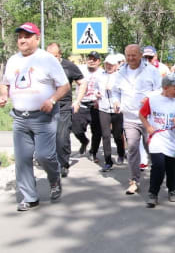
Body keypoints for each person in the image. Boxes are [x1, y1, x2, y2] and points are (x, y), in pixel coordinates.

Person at [0, 22, 70, 211]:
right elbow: (5, 82)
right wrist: (4, 95)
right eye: (20, 36)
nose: (22, 40)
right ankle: (30, 197)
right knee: (22, 159)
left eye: (27, 36)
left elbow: (64, 86)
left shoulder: (47, 59)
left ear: (37, 39)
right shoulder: (13, 60)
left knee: (44, 155)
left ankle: (54, 179)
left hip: (44, 116)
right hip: (20, 118)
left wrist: (53, 100)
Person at [112, 44, 161, 195]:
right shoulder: (120, 72)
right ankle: (134, 181)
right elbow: (115, 91)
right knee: (132, 148)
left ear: (140, 55)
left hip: (148, 118)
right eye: (128, 55)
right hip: (129, 117)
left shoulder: (151, 70)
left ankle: (157, 178)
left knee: (151, 149)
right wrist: (116, 101)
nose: (131, 58)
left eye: (134, 55)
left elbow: (160, 89)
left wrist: (149, 97)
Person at [139, 74, 175, 208]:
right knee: (158, 166)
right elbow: (142, 114)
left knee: (172, 168)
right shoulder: (153, 100)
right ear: (165, 87)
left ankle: (172, 189)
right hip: (157, 139)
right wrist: (148, 127)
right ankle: (153, 194)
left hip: (172, 141)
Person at [46, 42, 87, 178]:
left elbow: (82, 83)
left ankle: (63, 164)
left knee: (61, 136)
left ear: (60, 55)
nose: (52, 59)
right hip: (46, 106)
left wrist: (77, 100)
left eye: (55, 56)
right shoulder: (41, 65)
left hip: (63, 107)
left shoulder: (68, 66)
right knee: (47, 136)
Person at [95, 54, 125, 171]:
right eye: (107, 64)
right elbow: (96, 88)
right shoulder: (100, 76)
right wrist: (96, 93)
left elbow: (124, 91)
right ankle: (108, 161)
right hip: (103, 108)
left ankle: (121, 153)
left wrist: (112, 89)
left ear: (116, 65)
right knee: (106, 135)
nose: (109, 66)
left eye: (111, 65)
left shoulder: (120, 76)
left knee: (117, 134)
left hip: (117, 109)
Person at [72, 51, 103, 162]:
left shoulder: (102, 73)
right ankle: (84, 141)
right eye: (90, 58)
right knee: (76, 129)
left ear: (99, 62)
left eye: (94, 59)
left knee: (97, 132)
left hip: (95, 105)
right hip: (81, 103)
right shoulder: (79, 69)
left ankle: (93, 152)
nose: (91, 61)